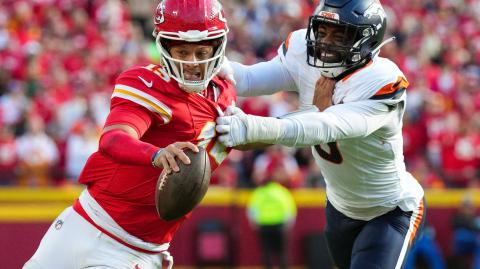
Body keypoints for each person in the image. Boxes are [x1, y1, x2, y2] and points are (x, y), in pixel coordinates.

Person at [24, 0, 235, 268]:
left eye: (201, 51)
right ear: (165, 47)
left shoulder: (225, 94)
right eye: (182, 51)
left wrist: (256, 130)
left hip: (137, 251)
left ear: (217, 48)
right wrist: (157, 154)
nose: (191, 63)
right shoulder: (147, 84)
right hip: (85, 224)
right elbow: (114, 139)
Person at [216, 0, 425, 268]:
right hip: (339, 208)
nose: (326, 42)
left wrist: (253, 126)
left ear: (367, 41)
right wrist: (217, 69)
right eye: (323, 31)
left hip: (389, 210)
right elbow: (248, 79)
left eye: (340, 35)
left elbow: (324, 126)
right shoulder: (303, 50)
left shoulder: (381, 79)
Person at [247, 150, 297, 269]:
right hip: (280, 226)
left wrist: (255, 224)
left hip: (264, 226)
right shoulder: (282, 191)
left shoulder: (259, 192)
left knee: (266, 253)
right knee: (282, 254)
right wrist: (288, 224)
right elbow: (290, 210)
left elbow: (252, 211)